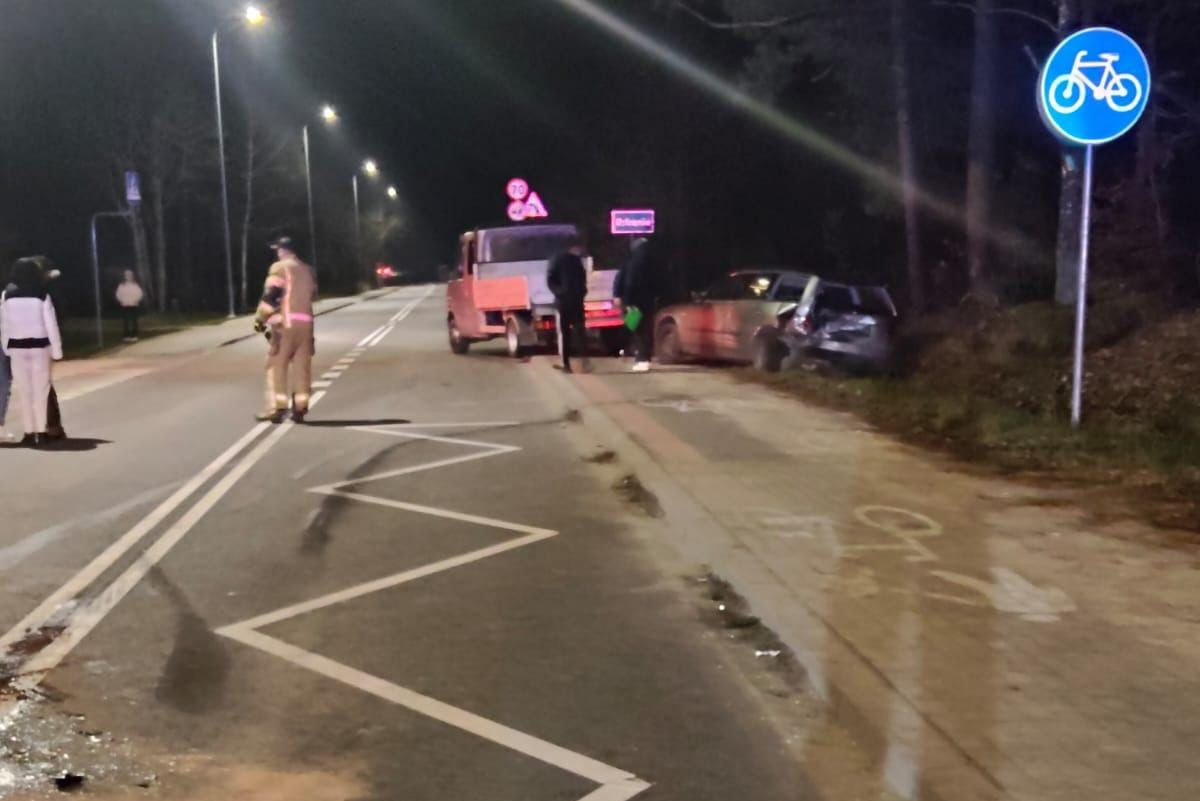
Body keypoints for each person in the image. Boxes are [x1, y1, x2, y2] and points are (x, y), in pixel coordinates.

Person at [0, 257, 63, 446]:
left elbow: (4, 325)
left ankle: (28, 433)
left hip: (17, 347)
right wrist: (57, 351)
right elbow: (51, 324)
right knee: (40, 391)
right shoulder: (41, 294)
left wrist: (6, 347)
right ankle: (41, 432)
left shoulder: (6, 295)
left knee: (24, 392)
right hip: (40, 346)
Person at [254, 236, 317, 424]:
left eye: (278, 249)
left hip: (285, 326)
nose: (277, 253)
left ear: (284, 250)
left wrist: (260, 319)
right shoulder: (308, 271)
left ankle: (277, 407)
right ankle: (300, 407)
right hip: (306, 326)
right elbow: (310, 295)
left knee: (275, 364)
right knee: (302, 367)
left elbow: (271, 296)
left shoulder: (279, 268)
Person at [546, 234, 590, 373]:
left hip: (564, 302)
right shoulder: (573, 261)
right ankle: (582, 363)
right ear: (573, 247)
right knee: (579, 333)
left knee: (566, 334)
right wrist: (581, 293)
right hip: (573, 301)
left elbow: (550, 279)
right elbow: (583, 280)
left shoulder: (557, 260)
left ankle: (568, 365)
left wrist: (560, 292)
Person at [615, 237, 658, 372]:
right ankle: (636, 353)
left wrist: (625, 299)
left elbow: (628, 279)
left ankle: (640, 357)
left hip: (635, 299)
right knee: (642, 327)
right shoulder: (651, 259)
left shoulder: (633, 258)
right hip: (647, 299)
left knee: (636, 327)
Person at [115, 270, 145, 342]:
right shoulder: (121, 285)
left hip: (133, 305)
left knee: (134, 321)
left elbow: (140, 294)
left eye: (130, 275)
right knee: (126, 321)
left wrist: (136, 300)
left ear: (132, 276)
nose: (128, 277)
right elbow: (118, 294)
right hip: (125, 305)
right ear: (125, 276)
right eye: (127, 275)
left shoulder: (135, 285)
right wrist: (121, 300)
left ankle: (134, 335)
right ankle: (126, 336)